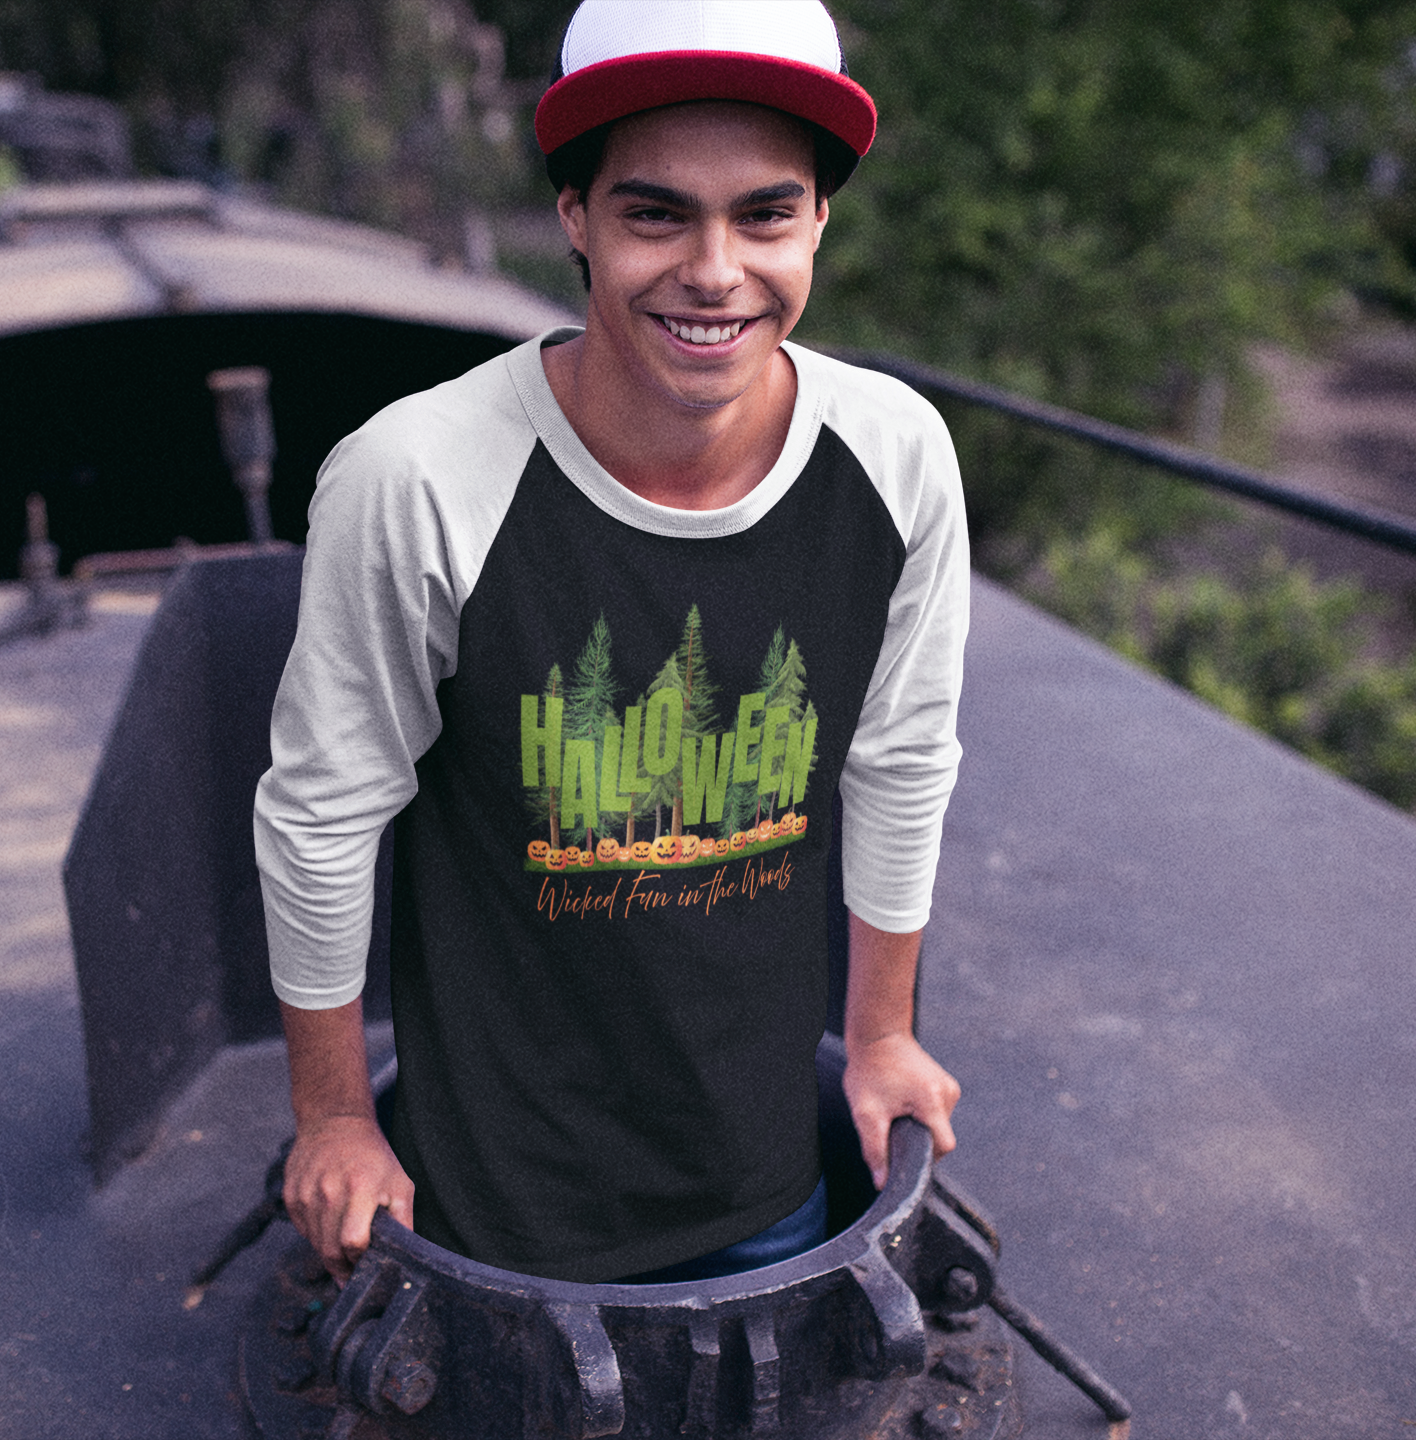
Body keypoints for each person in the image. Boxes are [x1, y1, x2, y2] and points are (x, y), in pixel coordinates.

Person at [254, 0, 965, 1287]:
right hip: (491, 1195)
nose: (714, 268)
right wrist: (337, 1120)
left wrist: (879, 1038)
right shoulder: (416, 476)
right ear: (574, 217)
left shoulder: (897, 453)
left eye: (764, 213)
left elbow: (902, 758)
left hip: (763, 1173)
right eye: (655, 214)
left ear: (818, 222)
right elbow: (320, 812)